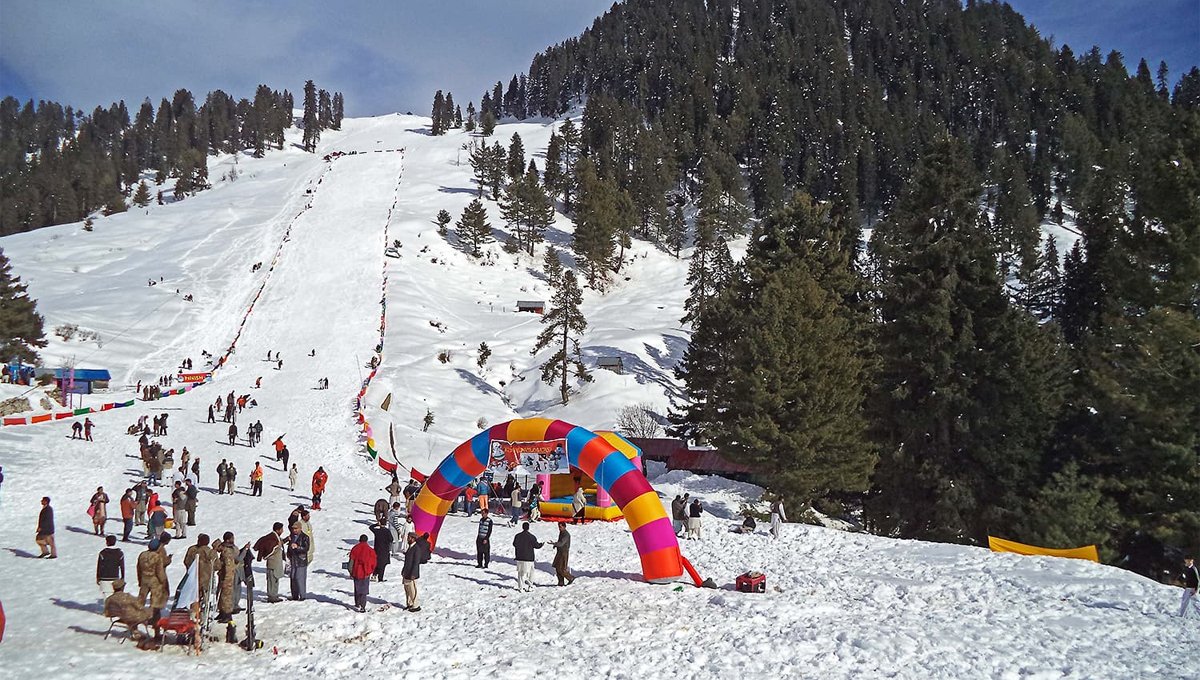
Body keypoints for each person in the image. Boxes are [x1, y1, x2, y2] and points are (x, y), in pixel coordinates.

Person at [136, 533, 171, 619]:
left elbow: (138, 568)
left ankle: (137, 614)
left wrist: (140, 580)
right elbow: (159, 571)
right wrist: (163, 581)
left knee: (141, 598)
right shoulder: (157, 557)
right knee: (155, 599)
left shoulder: (142, 555)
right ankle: (152, 617)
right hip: (155, 580)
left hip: (144, 578)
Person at [183, 534, 217, 612]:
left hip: (194, 578)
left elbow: (186, 562)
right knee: (205, 599)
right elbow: (217, 566)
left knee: (194, 598)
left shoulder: (192, 550)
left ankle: (194, 615)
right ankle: (203, 615)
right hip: (207, 579)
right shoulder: (211, 552)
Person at [254, 523, 285, 603]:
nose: (282, 531)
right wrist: (277, 546)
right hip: (272, 563)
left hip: (276, 563)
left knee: (275, 579)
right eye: (281, 529)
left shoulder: (275, 537)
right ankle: (272, 596)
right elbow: (270, 550)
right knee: (272, 580)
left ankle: (274, 595)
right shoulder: (272, 539)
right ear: (278, 530)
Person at [349, 535, 377, 613]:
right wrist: (370, 570)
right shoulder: (370, 550)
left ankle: (357, 603)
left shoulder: (355, 548)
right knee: (364, 590)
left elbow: (351, 561)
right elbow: (373, 562)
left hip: (356, 571)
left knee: (357, 588)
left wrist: (351, 571)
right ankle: (363, 606)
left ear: (359, 540)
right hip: (366, 573)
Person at [512, 522, 543, 592]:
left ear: (522, 527)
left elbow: (514, 544)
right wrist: (541, 544)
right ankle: (530, 586)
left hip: (519, 557)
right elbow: (536, 545)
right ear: (528, 528)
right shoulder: (531, 537)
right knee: (530, 572)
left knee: (520, 573)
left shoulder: (517, 536)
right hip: (529, 558)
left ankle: (521, 588)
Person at [215, 532, 238, 622]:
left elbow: (229, 567)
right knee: (221, 595)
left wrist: (227, 578)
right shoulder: (226, 549)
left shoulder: (228, 550)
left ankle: (227, 614)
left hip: (227, 576)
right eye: (232, 538)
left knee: (227, 596)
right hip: (224, 575)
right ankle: (222, 612)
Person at [285, 522, 311, 600]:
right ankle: (294, 595)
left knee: (300, 578)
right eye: (293, 529)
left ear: (300, 528)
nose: (294, 530)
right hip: (293, 560)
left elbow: (306, 548)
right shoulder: (292, 537)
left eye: (296, 529)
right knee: (293, 578)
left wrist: (298, 547)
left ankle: (302, 596)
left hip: (301, 561)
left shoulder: (305, 537)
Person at [400, 532, 422, 612]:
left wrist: (413, 574)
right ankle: (409, 604)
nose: (408, 539)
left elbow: (416, 562)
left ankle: (416, 605)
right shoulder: (410, 547)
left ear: (413, 538)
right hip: (406, 572)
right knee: (407, 589)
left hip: (412, 573)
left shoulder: (416, 548)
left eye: (409, 538)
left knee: (413, 590)